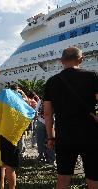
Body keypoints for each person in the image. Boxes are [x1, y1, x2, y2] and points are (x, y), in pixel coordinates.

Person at [44, 47, 98, 189]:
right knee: (93, 178)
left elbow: (48, 114)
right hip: (90, 134)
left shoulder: (51, 82)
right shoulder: (92, 77)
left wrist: (50, 137)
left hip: (64, 136)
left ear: (61, 61)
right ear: (81, 59)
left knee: (63, 178)